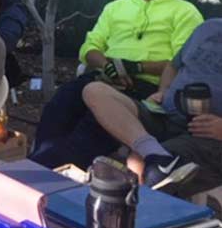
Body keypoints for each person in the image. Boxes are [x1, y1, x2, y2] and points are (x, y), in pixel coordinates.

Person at [30, 0, 203, 169]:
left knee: (92, 126)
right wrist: (109, 66)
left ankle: (49, 174)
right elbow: (90, 47)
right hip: (103, 76)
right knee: (61, 102)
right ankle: (38, 163)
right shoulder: (115, 8)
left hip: (148, 87)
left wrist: (135, 67)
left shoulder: (186, 12)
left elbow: (183, 62)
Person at [81, 19, 222, 191]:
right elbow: (172, 66)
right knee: (95, 91)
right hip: (164, 114)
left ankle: (153, 165)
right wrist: (163, 90)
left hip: (208, 136)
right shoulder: (209, 27)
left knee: (152, 174)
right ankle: (153, 152)